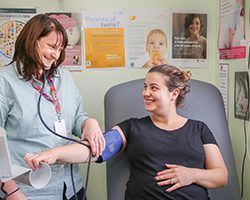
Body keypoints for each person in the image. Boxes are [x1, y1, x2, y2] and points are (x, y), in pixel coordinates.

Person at [24, 64, 228, 199]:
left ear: (173, 93)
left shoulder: (199, 129)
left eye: (153, 88)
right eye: (145, 86)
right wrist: (53, 155)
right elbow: (94, 150)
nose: (145, 93)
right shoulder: (132, 127)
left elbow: (221, 176)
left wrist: (191, 175)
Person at [0, 14, 105, 200]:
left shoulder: (64, 77)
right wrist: (11, 191)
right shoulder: (5, 81)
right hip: (27, 191)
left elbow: (78, 117)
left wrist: (89, 123)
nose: (56, 55)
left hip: (70, 187)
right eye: (51, 46)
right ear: (32, 41)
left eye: (60, 49)